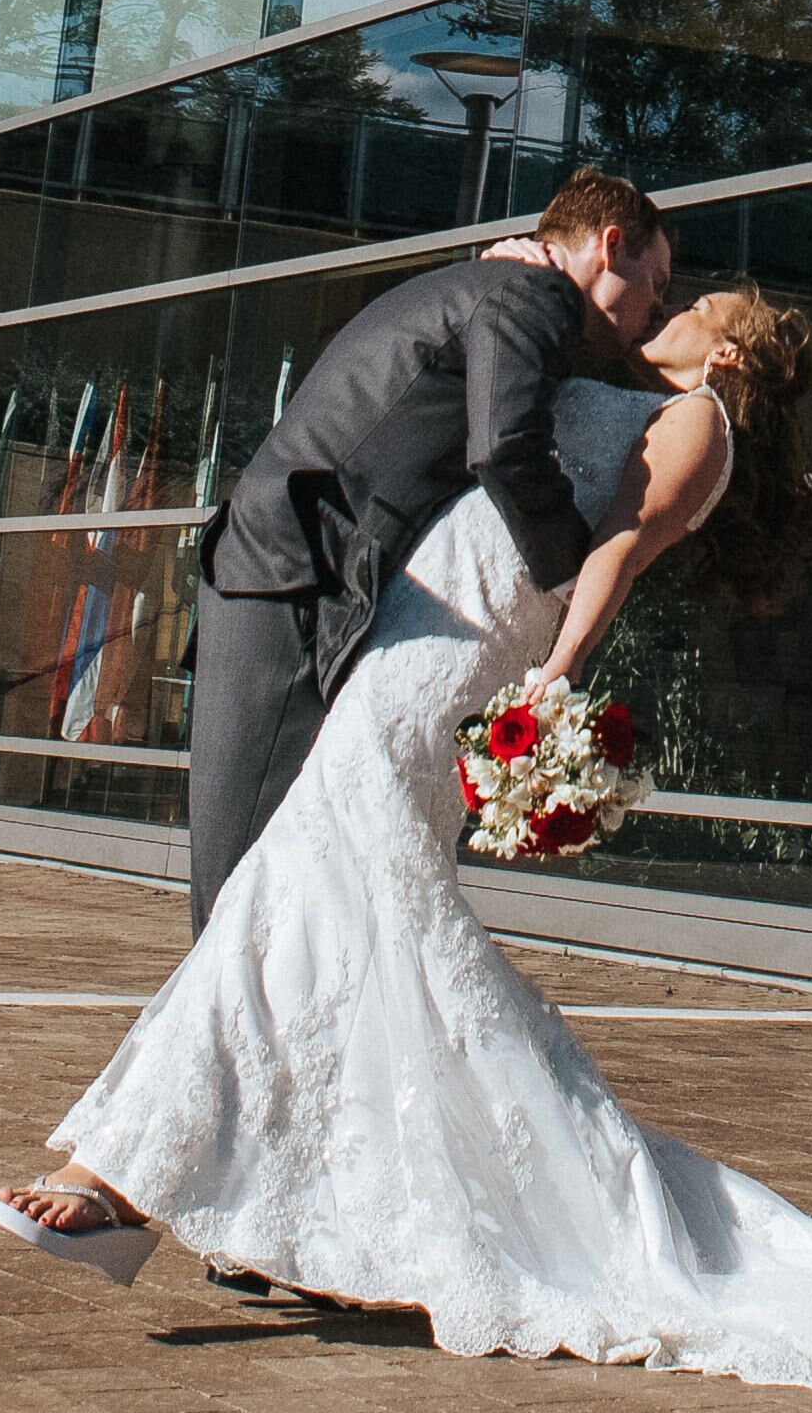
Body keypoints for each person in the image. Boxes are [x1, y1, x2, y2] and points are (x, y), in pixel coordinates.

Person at [0, 289, 812, 1413]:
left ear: (733, 348)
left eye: (692, 304)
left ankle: (124, 1184)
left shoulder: (705, 418)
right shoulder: (644, 391)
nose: (666, 313)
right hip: (419, 652)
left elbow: (609, 552)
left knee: (297, 894)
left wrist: (547, 683)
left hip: (459, 663)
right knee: (324, 918)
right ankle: (154, 1185)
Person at [180, 166, 673, 931]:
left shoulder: (504, 286)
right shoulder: (531, 293)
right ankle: (219, 1045)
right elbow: (506, 446)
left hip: (295, 570)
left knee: (277, 862)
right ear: (610, 245)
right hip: (290, 571)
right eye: (657, 280)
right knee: (246, 864)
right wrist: (576, 582)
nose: (658, 306)